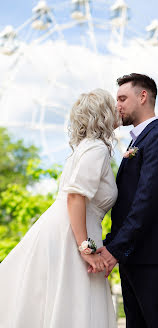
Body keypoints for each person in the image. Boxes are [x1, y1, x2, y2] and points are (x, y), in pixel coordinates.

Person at [0, 89, 120, 328]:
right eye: (112, 104)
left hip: (64, 229)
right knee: (76, 304)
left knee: (60, 301)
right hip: (75, 233)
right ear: (103, 114)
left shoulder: (82, 149)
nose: (118, 108)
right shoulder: (96, 149)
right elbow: (75, 196)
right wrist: (86, 248)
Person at [97, 73, 158, 328]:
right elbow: (126, 205)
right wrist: (111, 244)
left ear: (143, 96)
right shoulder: (140, 141)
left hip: (152, 257)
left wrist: (114, 249)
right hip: (134, 255)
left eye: (123, 98)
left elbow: (147, 201)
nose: (118, 106)